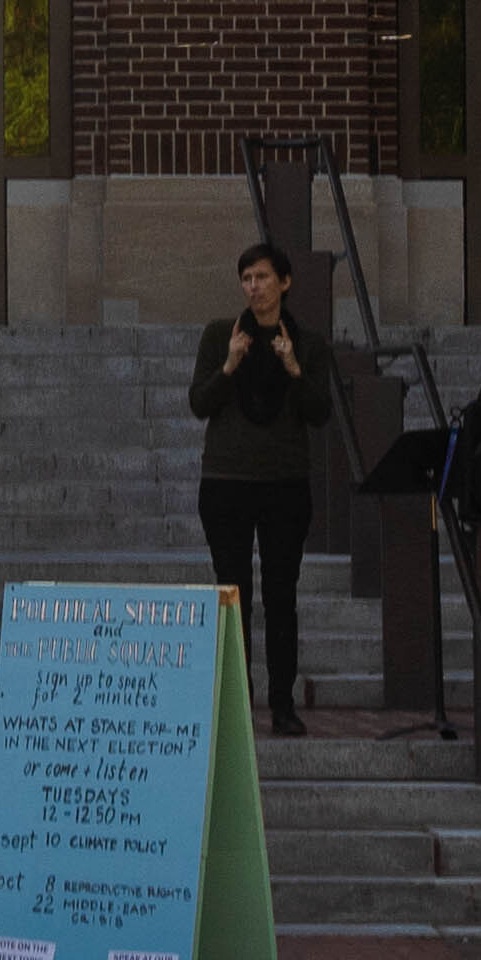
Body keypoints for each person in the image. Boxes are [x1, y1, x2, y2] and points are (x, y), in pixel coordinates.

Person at [188, 243, 332, 737]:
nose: (253, 286)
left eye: (263, 277)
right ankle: (235, 705)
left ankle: (283, 704)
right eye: (246, 278)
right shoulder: (218, 336)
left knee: (280, 596)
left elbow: (320, 412)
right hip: (226, 483)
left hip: (284, 485)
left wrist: (293, 368)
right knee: (233, 596)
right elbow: (199, 403)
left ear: (285, 282)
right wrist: (229, 364)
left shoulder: (308, 343)